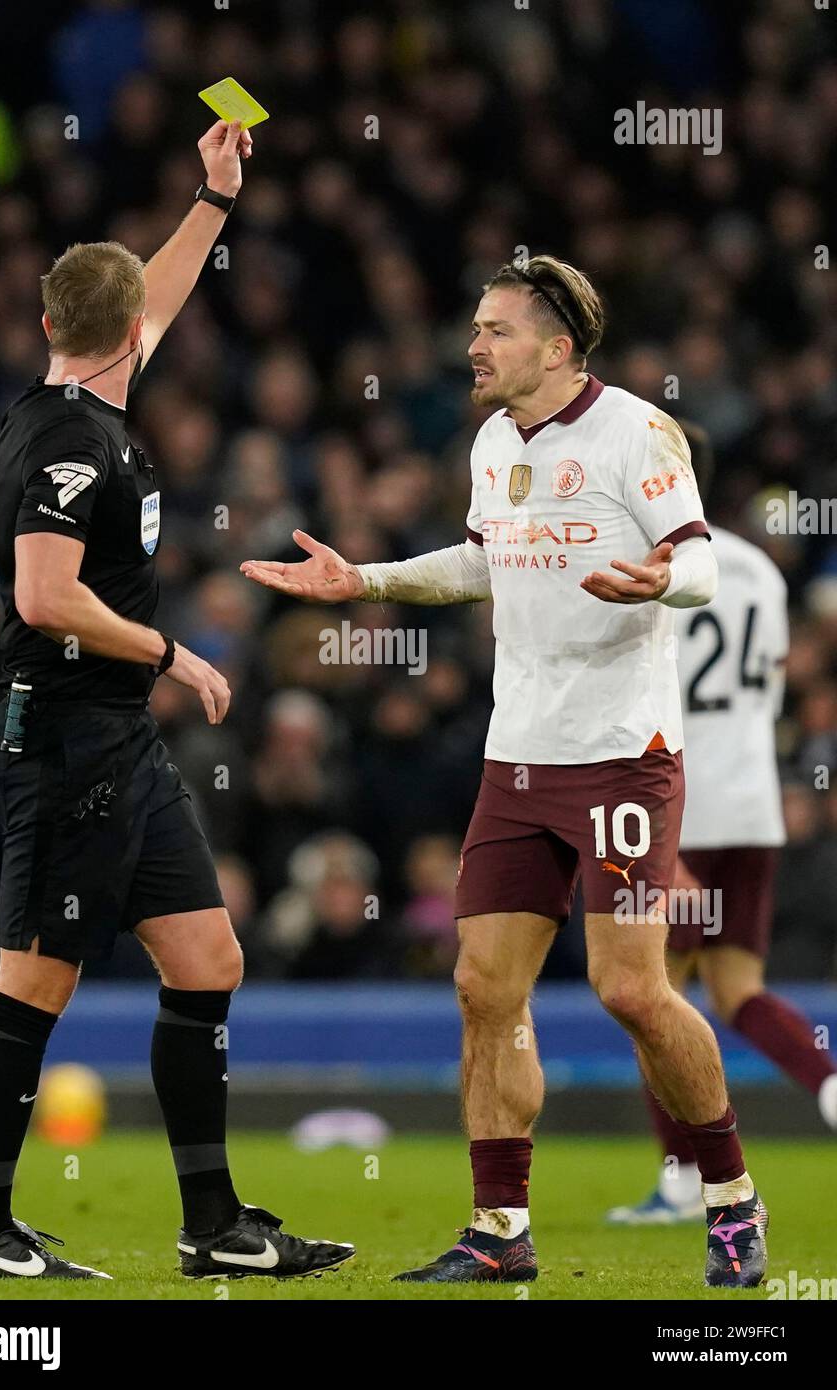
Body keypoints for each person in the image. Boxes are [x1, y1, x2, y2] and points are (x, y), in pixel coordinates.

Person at [242, 255, 768, 1288]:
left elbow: (699, 559)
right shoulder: (492, 441)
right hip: (514, 759)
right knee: (483, 988)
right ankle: (498, 1229)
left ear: (556, 347)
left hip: (622, 755)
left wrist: (664, 577)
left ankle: (729, 1198)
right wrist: (370, 578)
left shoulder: (636, 431)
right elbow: (485, 560)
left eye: (494, 329)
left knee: (631, 991)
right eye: (475, 327)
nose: (473, 346)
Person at [0, 118, 353, 1283]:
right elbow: (43, 593)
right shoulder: (72, 447)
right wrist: (173, 649)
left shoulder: (81, 392)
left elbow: (144, 303)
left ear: (47, 325)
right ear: (128, 337)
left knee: (209, 956)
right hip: (64, 734)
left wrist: (211, 199)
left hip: (118, 741)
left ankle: (213, 1225)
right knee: (33, 981)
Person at [607, 421, 837, 1226]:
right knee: (739, 988)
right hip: (755, 804)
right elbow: (768, 688)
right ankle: (831, 1086)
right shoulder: (761, 573)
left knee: (651, 990)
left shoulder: (654, 562)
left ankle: (678, 1179)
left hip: (680, 799)